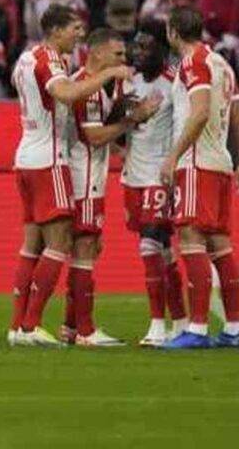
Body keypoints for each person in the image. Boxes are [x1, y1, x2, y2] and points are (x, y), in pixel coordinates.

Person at [8, 5, 132, 347]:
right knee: (62, 244)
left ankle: (18, 326)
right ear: (56, 30)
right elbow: (65, 94)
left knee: (33, 244)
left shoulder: (25, 59)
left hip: (27, 155)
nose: (79, 33)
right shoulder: (47, 59)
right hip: (49, 159)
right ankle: (33, 327)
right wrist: (108, 76)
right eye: (74, 28)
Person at [59, 27, 160, 347]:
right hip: (82, 178)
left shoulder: (103, 85)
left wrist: (123, 146)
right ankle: (86, 331)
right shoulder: (86, 89)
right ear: (97, 53)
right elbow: (94, 137)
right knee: (85, 247)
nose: (123, 59)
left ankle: (71, 326)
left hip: (91, 175)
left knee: (87, 248)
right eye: (117, 54)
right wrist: (134, 119)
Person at [159, 7, 239, 350]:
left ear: (172, 32)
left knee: (190, 240)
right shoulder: (222, 64)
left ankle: (197, 329)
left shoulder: (192, 62)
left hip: (196, 162)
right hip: (220, 162)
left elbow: (198, 113)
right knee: (220, 246)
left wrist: (173, 156)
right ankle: (232, 329)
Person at [121, 18, 188, 347]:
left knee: (149, 244)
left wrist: (174, 164)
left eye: (147, 46)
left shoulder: (174, 82)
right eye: (137, 44)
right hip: (132, 176)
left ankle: (157, 326)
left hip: (159, 177)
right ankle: (181, 319)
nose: (139, 51)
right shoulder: (128, 81)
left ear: (163, 49)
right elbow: (119, 125)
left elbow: (186, 126)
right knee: (163, 251)